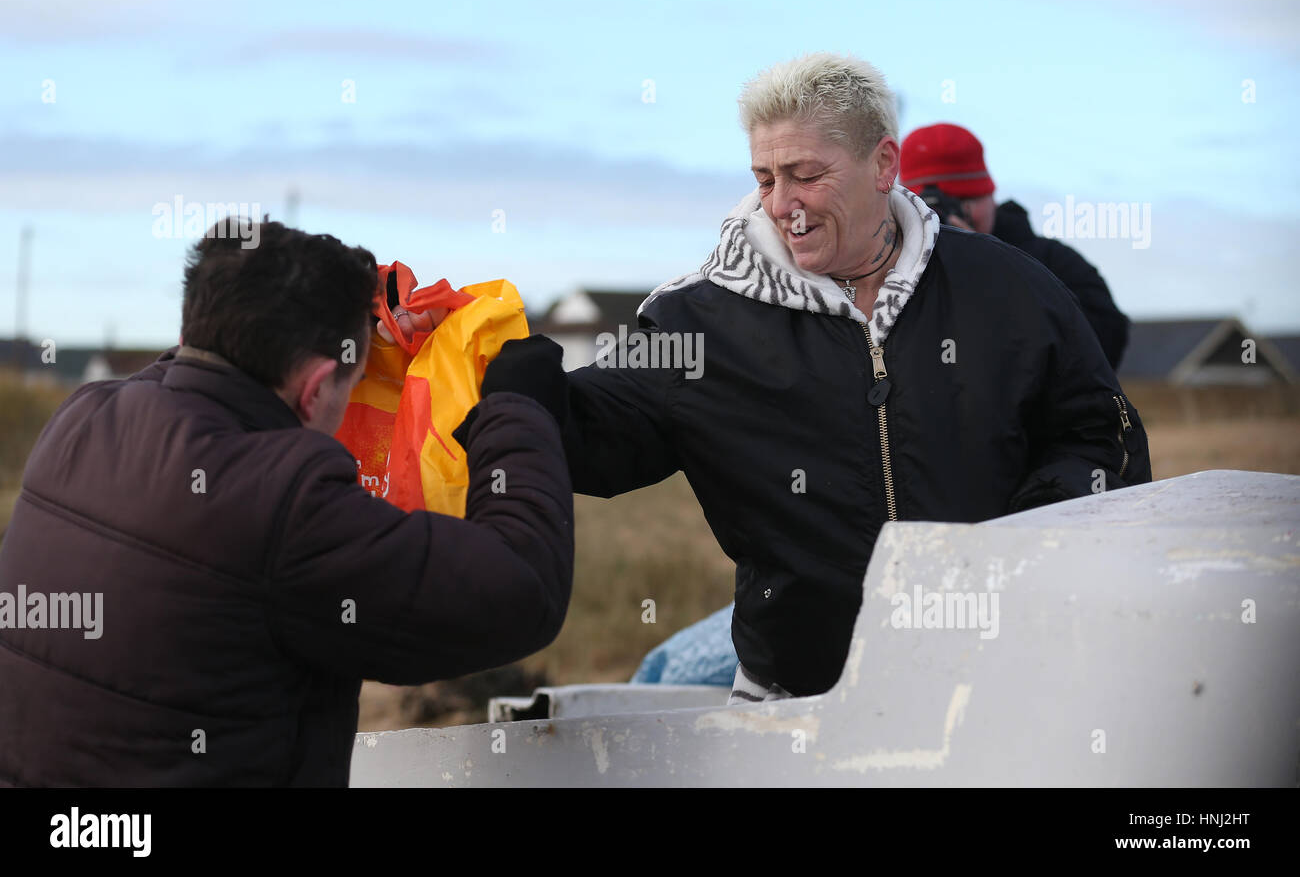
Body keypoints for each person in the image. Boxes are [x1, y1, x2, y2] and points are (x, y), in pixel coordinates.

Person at [446, 52, 1152, 706]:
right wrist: (493, 373)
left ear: (883, 165)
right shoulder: (701, 321)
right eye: (764, 178)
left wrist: (1012, 546)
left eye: (807, 175)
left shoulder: (1007, 287)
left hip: (1003, 682)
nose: (783, 203)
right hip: (795, 709)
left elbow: (1096, 433)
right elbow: (593, 429)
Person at [0, 219, 574, 786]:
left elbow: (197, 359)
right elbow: (523, 589)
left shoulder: (82, 417)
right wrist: (516, 404)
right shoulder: (285, 505)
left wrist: (334, 302)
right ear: (317, 387)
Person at [899, 122, 1130, 368]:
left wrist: (992, 266)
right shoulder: (888, 271)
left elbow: (1106, 344)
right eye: (931, 209)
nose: (947, 217)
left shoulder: (1050, 263)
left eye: (965, 200)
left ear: (991, 196)